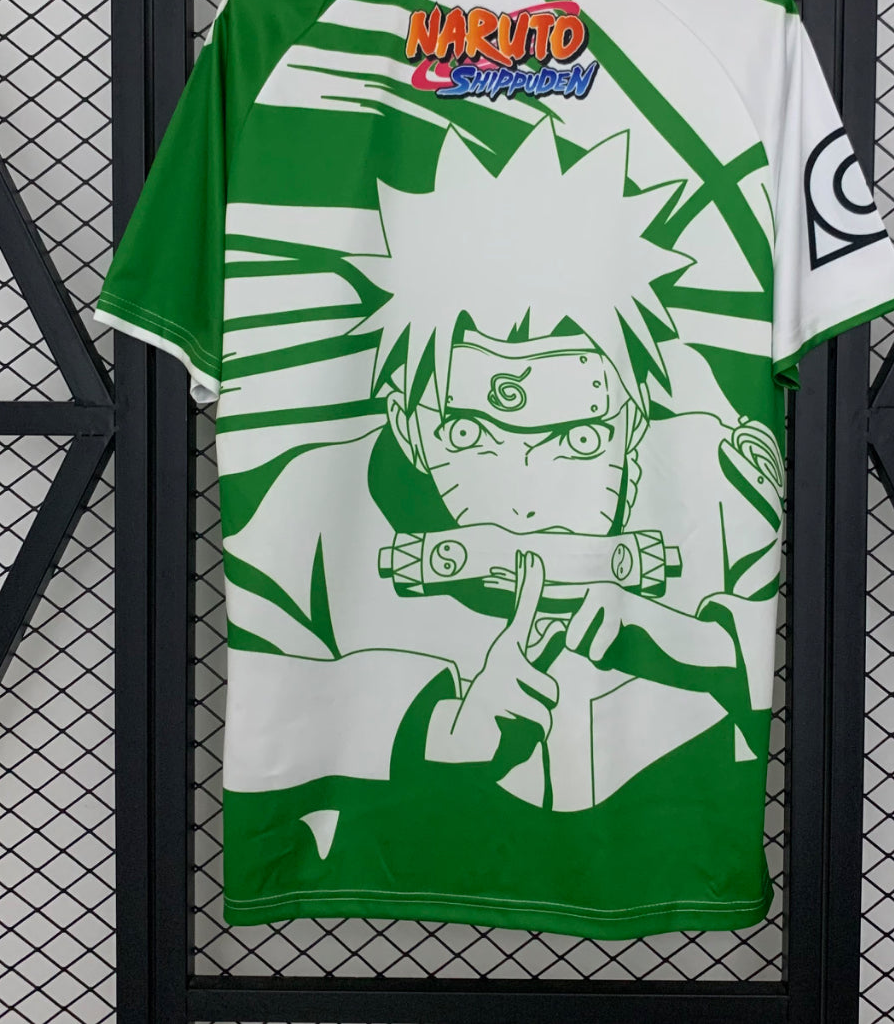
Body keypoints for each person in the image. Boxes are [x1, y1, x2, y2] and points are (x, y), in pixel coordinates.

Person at [225, 116, 782, 811]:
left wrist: (695, 646)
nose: (525, 498)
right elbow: (268, 701)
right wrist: (428, 727)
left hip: (671, 850)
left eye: (579, 438)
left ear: (635, 417)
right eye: (469, 433)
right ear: (408, 423)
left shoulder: (721, 486)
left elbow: (783, 655)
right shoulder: (307, 511)